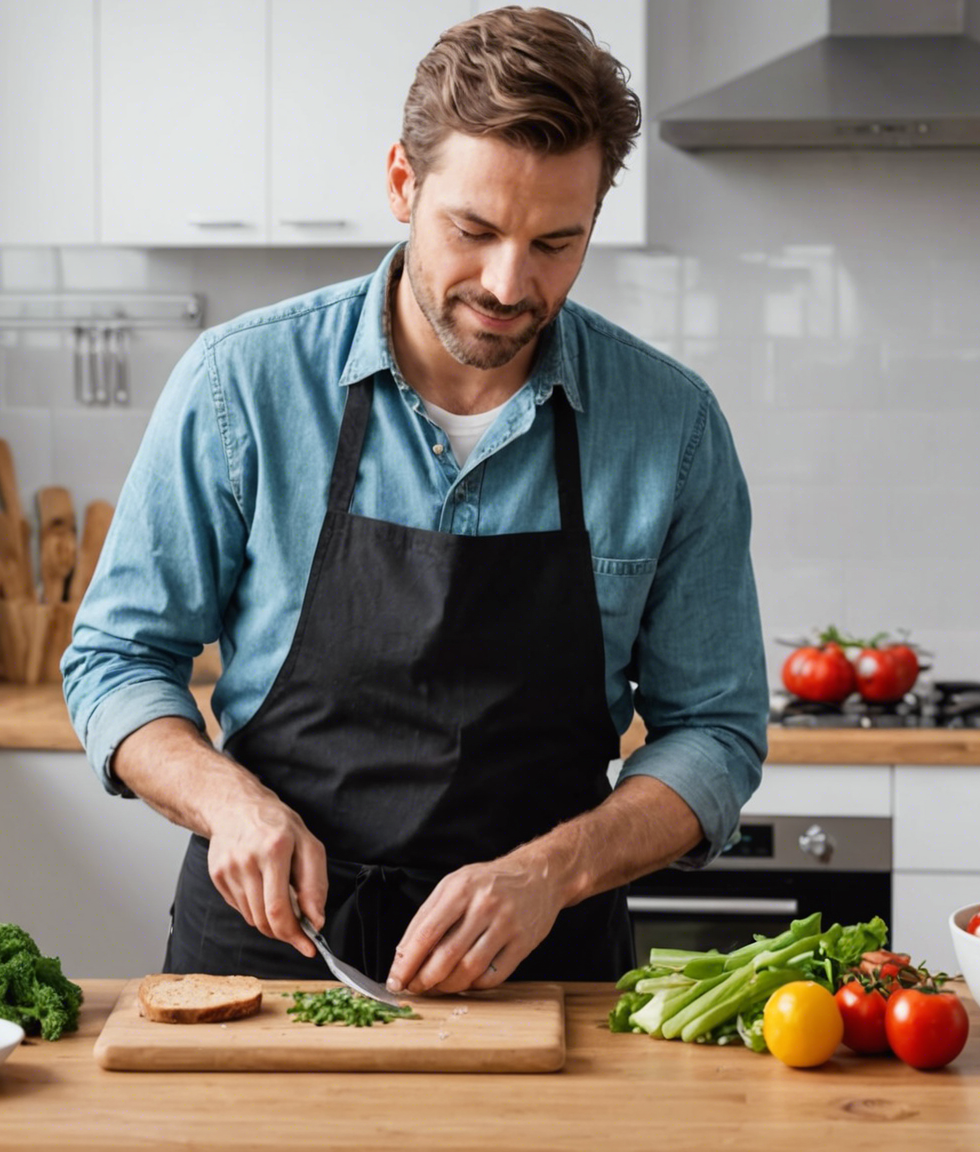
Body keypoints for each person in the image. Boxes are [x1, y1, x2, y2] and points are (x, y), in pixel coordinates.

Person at [62, 5, 765, 996]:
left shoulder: (669, 426)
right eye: (473, 230)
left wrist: (547, 872)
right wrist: (229, 803)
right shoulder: (243, 385)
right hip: (273, 963)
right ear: (402, 181)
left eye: (556, 243)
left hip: (543, 966)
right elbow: (117, 658)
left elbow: (718, 733)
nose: (509, 283)